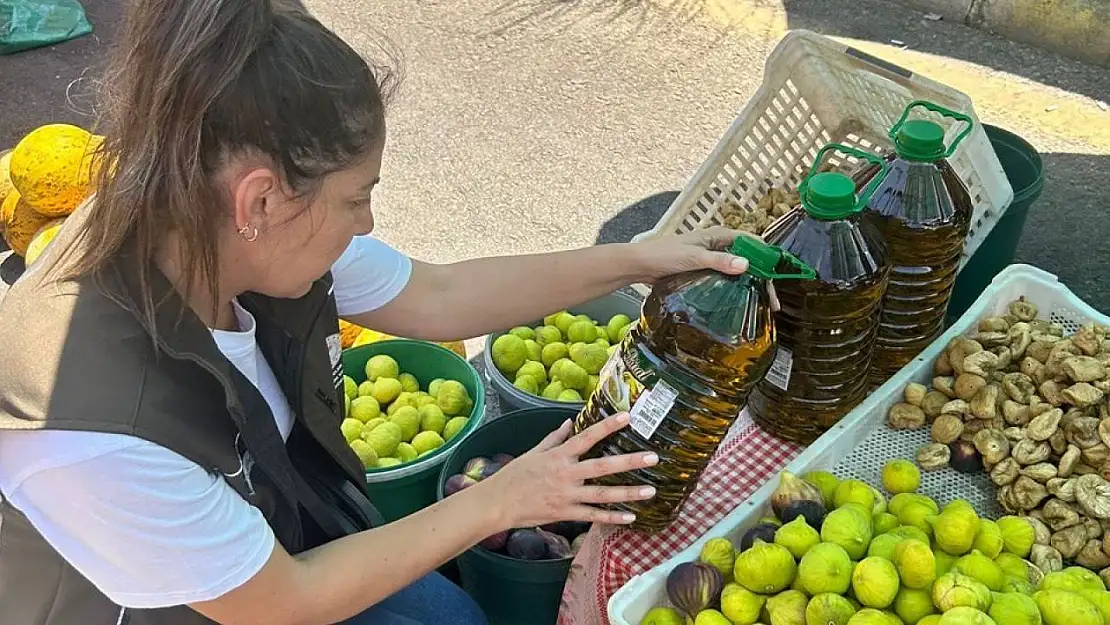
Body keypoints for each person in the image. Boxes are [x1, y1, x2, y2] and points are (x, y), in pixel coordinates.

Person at [0, 1, 756, 624]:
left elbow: (440, 294)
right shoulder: (86, 429)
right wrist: (508, 495)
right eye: (357, 197)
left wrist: (639, 256)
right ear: (260, 198)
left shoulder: (216, 224)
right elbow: (282, 601)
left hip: (287, 542)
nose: (365, 223)